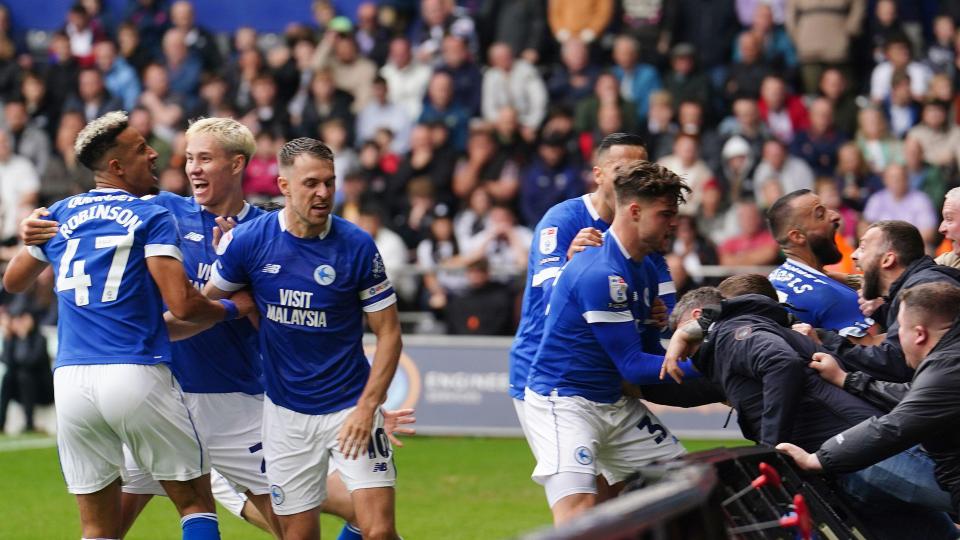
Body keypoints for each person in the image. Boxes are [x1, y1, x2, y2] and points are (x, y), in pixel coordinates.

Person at [2, 111, 252, 540]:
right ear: (116, 166)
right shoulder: (151, 216)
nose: (154, 153)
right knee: (195, 501)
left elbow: (13, 281)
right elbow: (183, 305)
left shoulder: (62, 211)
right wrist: (234, 308)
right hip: (133, 370)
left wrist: (31, 235)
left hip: (71, 380)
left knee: (98, 527)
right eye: (141, 149)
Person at [206, 137, 402, 540]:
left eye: (330, 182)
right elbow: (205, 307)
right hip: (285, 416)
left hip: (349, 409)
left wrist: (368, 408)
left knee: (379, 531)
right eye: (312, 183)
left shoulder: (358, 245)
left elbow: (390, 334)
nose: (324, 193)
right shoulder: (251, 242)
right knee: (296, 536)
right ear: (284, 186)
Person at [666, 280, 956, 538]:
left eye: (678, 335)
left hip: (865, 451)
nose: (679, 354)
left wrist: (772, 447)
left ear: (695, 317)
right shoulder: (728, 343)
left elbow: (780, 363)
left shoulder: (732, 334)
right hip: (847, 460)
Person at [524, 160, 692, 524]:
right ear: (634, 211)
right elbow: (632, 364)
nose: (673, 223)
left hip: (614, 402)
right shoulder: (600, 273)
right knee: (578, 519)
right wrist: (716, 365)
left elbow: (647, 353)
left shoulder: (645, 268)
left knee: (688, 493)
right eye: (665, 214)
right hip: (565, 402)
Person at [778, 281, 960, 525]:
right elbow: (913, 396)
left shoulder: (947, 368)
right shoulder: (949, 362)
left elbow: (894, 426)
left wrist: (818, 459)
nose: (895, 339)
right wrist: (846, 380)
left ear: (918, 334)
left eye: (899, 330)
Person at [508, 133, 646, 436]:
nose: (632, 179)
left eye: (641, 170)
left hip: (601, 375)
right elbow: (552, 295)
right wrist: (574, 262)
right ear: (598, 175)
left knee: (632, 477)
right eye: (622, 169)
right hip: (547, 374)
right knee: (582, 480)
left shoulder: (640, 226)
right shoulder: (562, 221)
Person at [817, 221, 960, 383]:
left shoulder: (924, 288)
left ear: (887, 260)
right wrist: (883, 311)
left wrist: (825, 340)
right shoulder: (918, 283)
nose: (854, 255)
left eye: (863, 248)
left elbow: (893, 363)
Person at [766, 190, 873, 337]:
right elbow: (871, 352)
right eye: (820, 215)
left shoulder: (774, 279)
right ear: (797, 237)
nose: (835, 215)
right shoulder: (832, 296)